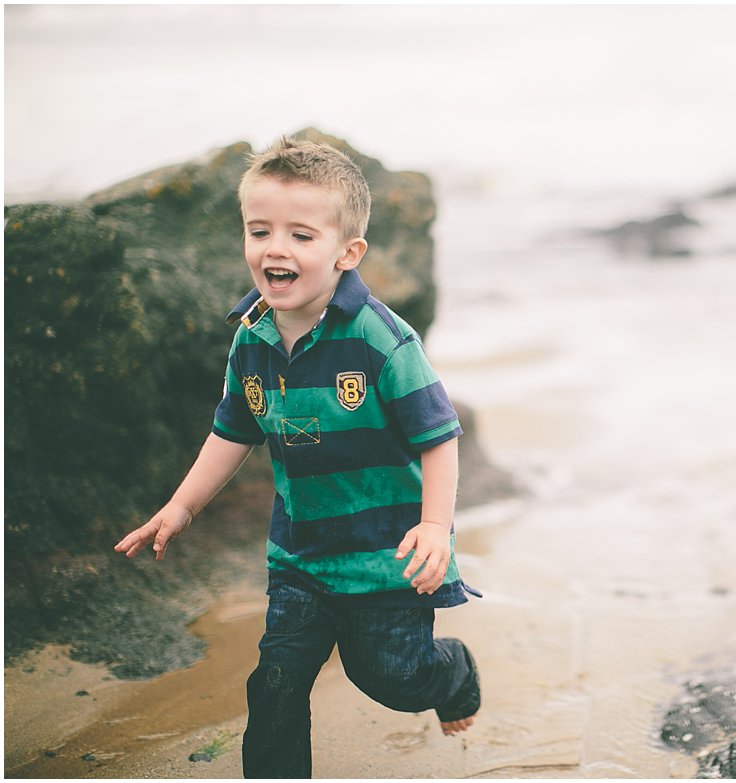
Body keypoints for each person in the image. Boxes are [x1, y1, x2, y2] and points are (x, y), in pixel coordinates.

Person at [115, 136, 480, 778]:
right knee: (275, 688)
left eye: (300, 235)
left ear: (348, 252)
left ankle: (453, 673)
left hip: (383, 560)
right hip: (300, 556)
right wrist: (181, 508)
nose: (275, 248)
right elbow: (233, 430)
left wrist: (433, 527)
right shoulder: (251, 339)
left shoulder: (382, 342)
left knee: (392, 680)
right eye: (260, 231)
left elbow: (438, 436)